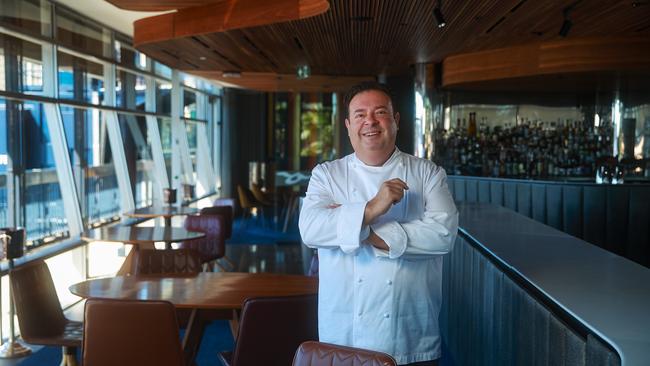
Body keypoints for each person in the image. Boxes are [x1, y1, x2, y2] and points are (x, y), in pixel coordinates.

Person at [298, 81, 458, 365]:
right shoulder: (326, 174)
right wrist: (373, 207)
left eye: (380, 112)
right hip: (343, 337)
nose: (370, 121)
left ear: (396, 120)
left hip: (409, 337)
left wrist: (360, 226)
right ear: (348, 125)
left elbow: (443, 235)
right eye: (360, 114)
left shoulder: (428, 173)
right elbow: (310, 229)